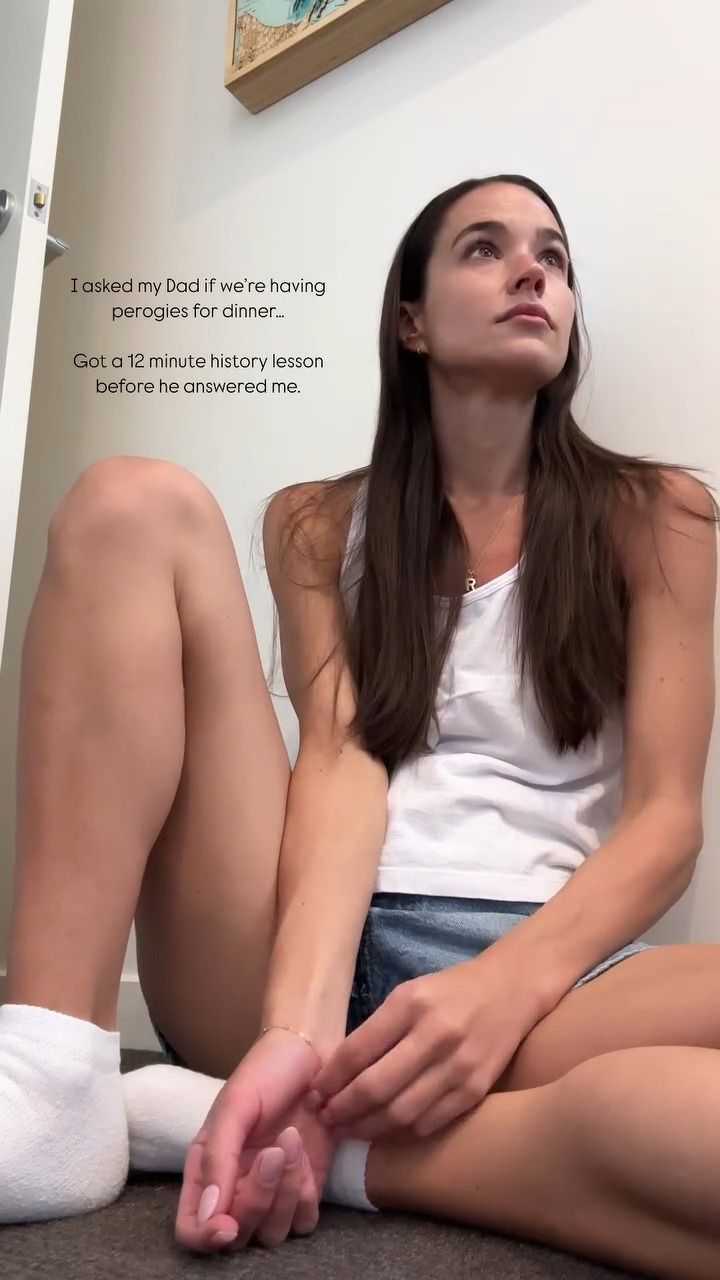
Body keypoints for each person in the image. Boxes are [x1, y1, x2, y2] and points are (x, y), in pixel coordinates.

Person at [1, 173, 719, 1275]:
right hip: (291, 946)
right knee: (132, 501)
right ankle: (51, 1071)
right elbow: (341, 761)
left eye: (554, 257)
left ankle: (322, 1148)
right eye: (485, 248)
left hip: (546, 979)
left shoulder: (658, 512)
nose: (533, 272)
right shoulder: (316, 522)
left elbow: (667, 821)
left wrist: (492, 994)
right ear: (411, 319)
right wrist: (297, 1025)